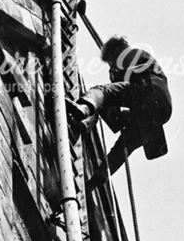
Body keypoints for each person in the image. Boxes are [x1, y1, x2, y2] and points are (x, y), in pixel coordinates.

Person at [67, 35, 172, 179]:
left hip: (147, 91)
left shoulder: (130, 54)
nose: (112, 64)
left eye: (111, 60)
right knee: (124, 146)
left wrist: (114, 74)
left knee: (101, 91)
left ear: (117, 50)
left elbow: (121, 81)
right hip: (157, 110)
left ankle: (84, 108)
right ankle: (99, 177)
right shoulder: (137, 58)